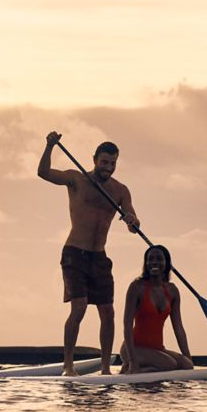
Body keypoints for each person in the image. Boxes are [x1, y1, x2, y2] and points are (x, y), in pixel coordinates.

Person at [37, 132, 140, 375]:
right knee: (79, 308)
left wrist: (132, 221)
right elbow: (43, 173)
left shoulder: (120, 190)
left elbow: (133, 221)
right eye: (104, 162)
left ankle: (105, 368)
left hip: (99, 256)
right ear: (94, 160)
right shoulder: (76, 179)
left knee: (108, 312)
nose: (108, 168)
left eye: (113, 163)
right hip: (75, 252)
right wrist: (50, 146)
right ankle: (68, 366)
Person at [119, 245, 194, 374]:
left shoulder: (172, 291)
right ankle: (130, 368)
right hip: (133, 348)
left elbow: (179, 329)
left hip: (157, 349)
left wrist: (189, 361)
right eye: (150, 259)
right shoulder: (137, 287)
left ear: (167, 263)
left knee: (186, 365)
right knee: (169, 364)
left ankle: (146, 369)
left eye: (159, 259)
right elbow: (127, 324)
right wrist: (132, 361)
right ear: (146, 263)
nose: (154, 262)